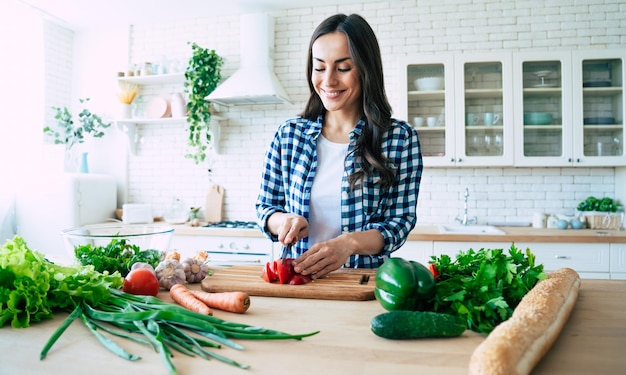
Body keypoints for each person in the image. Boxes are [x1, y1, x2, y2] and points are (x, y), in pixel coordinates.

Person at [255, 13, 423, 279]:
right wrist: (284, 221)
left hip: (362, 284)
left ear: (366, 69)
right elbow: (266, 208)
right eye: (320, 68)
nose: (329, 81)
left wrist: (349, 243)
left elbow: (399, 223)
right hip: (296, 283)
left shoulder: (400, 139)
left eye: (343, 68)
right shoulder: (288, 135)